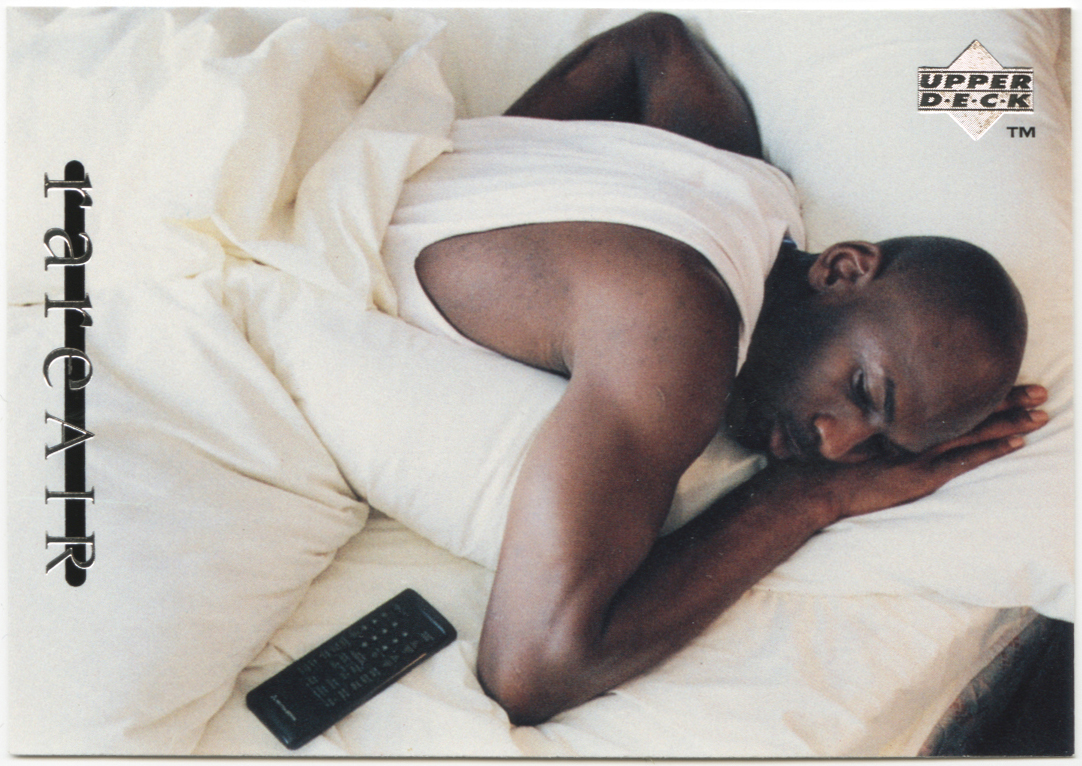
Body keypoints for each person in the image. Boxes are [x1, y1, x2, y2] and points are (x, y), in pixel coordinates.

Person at [390, 13, 1049, 724]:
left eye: (882, 448)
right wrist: (807, 500)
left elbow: (656, 45)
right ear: (841, 269)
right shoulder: (680, 336)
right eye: (863, 391)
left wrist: (491, 172)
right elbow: (530, 669)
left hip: (380, 154)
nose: (837, 446)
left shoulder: (747, 186)